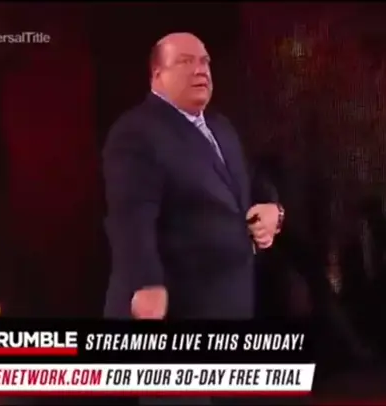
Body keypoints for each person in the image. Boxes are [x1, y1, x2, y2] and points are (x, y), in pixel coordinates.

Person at [102, 32, 284, 322]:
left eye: (204, 61)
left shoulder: (221, 126)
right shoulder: (136, 132)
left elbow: (247, 181)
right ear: (157, 75)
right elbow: (131, 216)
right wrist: (146, 283)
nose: (200, 70)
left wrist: (274, 210)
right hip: (177, 308)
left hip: (230, 302)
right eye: (186, 62)